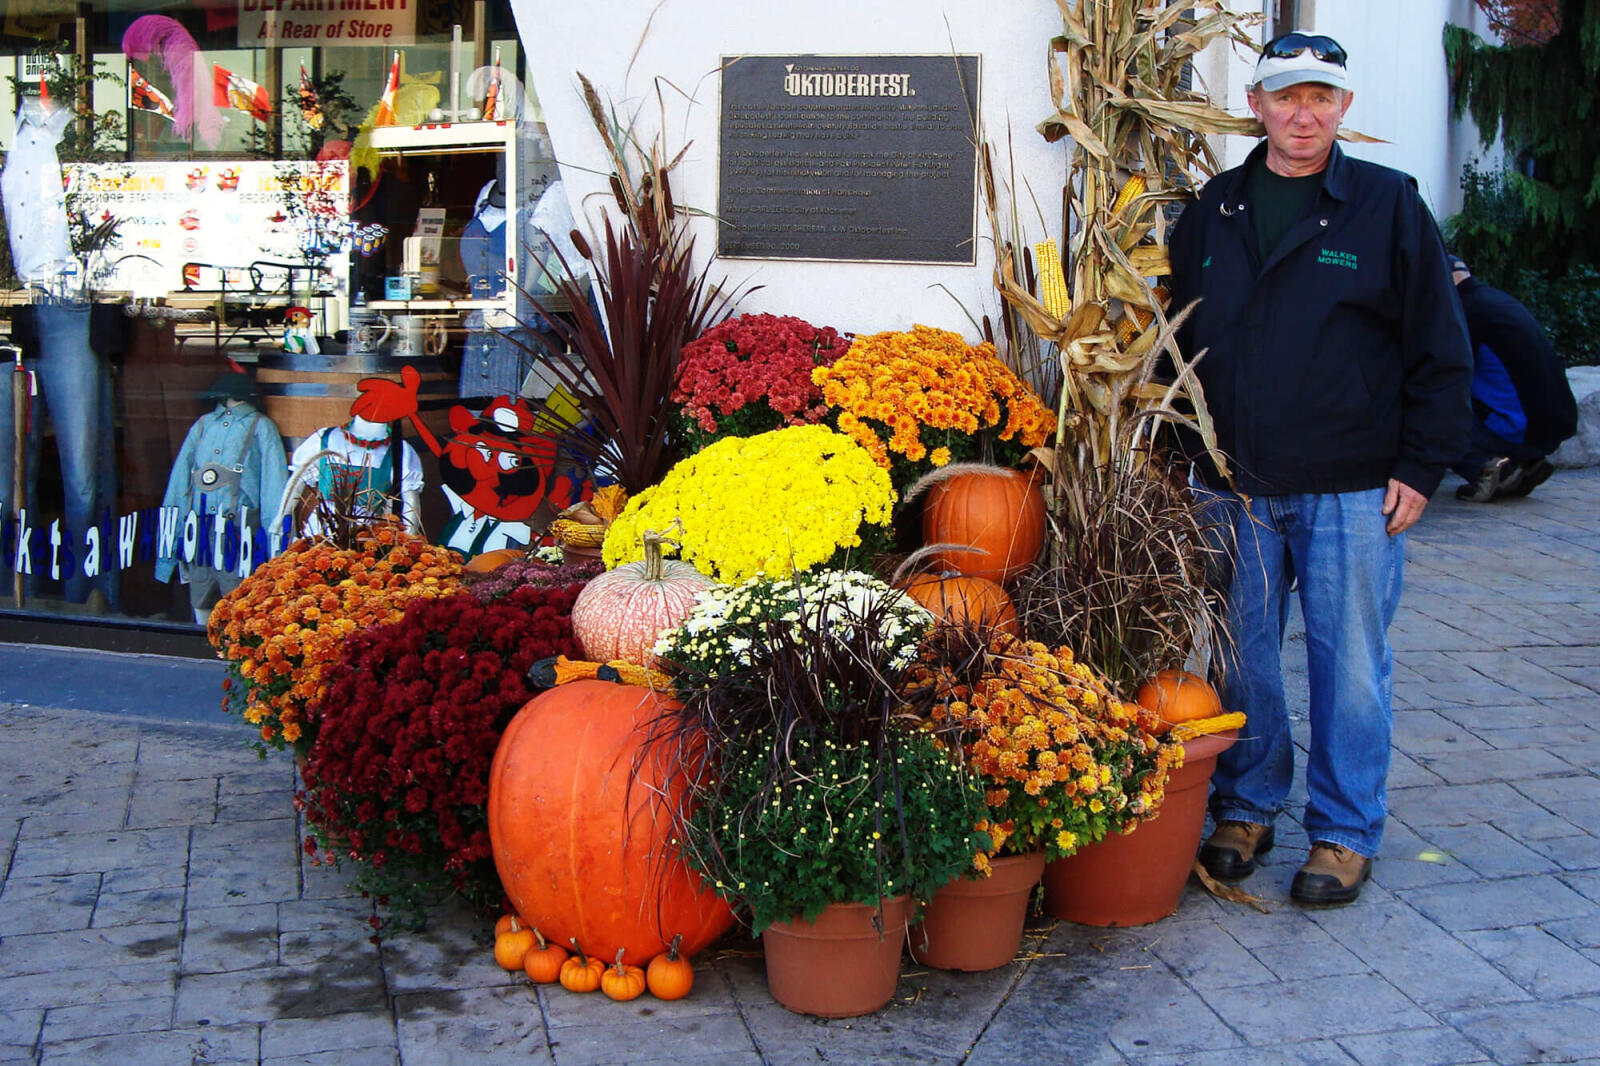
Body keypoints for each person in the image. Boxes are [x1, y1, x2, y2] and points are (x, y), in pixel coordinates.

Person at [1167, 32, 1472, 905]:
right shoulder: (1215, 210)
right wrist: (1182, 456)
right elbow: (1177, 345)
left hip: (1352, 484)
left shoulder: (1386, 206)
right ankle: (1250, 804)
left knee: (1350, 666)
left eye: (1322, 98)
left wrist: (1421, 463)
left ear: (1344, 108)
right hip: (1236, 484)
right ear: (1257, 106)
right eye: (1286, 96)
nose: (1304, 114)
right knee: (1246, 658)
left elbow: (1440, 348)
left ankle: (1342, 830)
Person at [154, 372, 287, 622]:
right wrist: (171, 546)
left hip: (238, 533)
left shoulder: (261, 427)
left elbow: (273, 489)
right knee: (201, 597)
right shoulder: (203, 425)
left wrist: (275, 551)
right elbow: (179, 483)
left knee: (239, 604)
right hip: (199, 533)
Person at [1447, 256, 1578, 501]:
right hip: (1555, 425)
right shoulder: (1495, 301)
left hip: (1520, 430)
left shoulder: (1462, 312)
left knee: (1429, 406)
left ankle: (1489, 468)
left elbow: (1444, 374)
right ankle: (1527, 463)